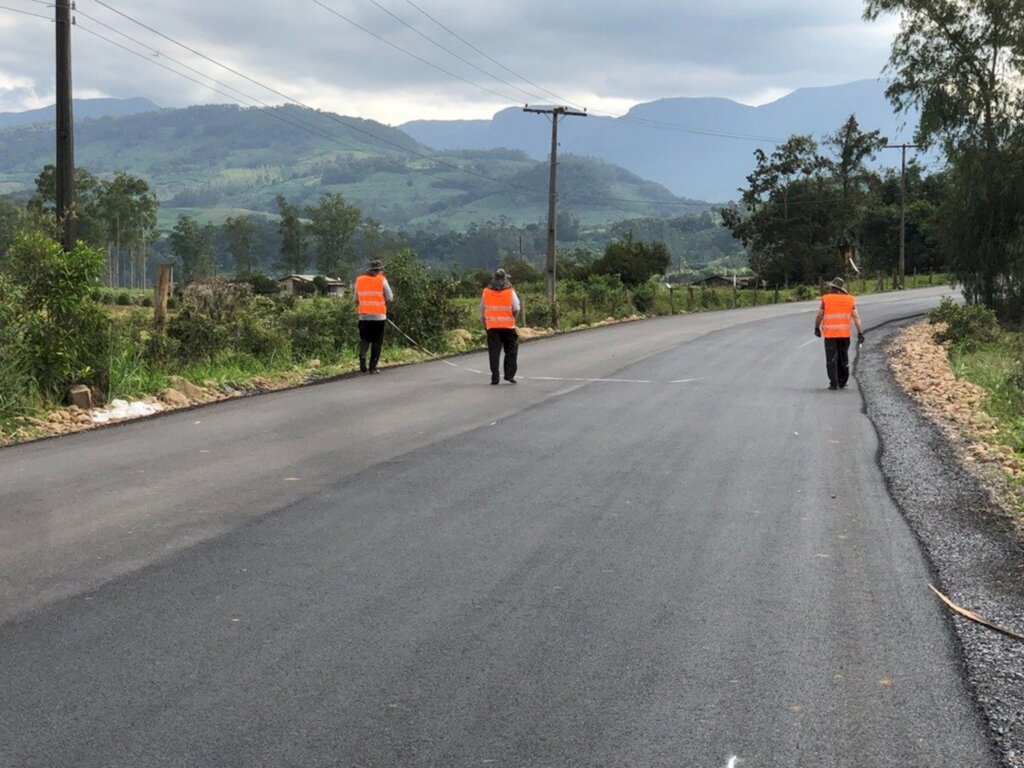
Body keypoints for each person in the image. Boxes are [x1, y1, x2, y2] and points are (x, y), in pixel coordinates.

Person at [814, 276, 864, 390]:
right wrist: (860, 333)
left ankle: (834, 382)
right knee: (843, 357)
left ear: (835, 289)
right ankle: (843, 381)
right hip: (844, 334)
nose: (830, 290)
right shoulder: (850, 299)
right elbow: (856, 317)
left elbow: (819, 315)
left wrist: (817, 327)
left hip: (830, 334)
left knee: (831, 358)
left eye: (832, 288)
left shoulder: (826, 299)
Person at [481, 268, 521, 385]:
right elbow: (516, 308)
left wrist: (485, 324)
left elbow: (483, 311)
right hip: (508, 327)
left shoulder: (486, 292)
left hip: (492, 327)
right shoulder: (510, 291)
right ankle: (509, 375)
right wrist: (512, 317)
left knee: (494, 353)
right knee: (511, 350)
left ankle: (495, 378)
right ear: (505, 279)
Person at [354, 259, 393, 374]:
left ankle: (362, 355)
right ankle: (372, 367)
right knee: (377, 341)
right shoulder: (382, 280)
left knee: (365, 339)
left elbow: (355, 299)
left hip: (364, 316)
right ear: (379, 270)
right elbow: (390, 297)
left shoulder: (359, 280)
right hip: (378, 317)